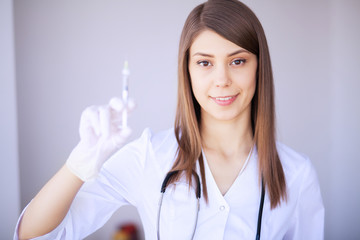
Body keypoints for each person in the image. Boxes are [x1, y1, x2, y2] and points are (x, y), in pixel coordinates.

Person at [15, 0, 324, 239]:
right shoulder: (151, 155)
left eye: (238, 61)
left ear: (259, 67)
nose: (222, 79)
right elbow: (34, 235)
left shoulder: (296, 174)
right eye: (205, 62)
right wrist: (78, 164)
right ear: (186, 70)